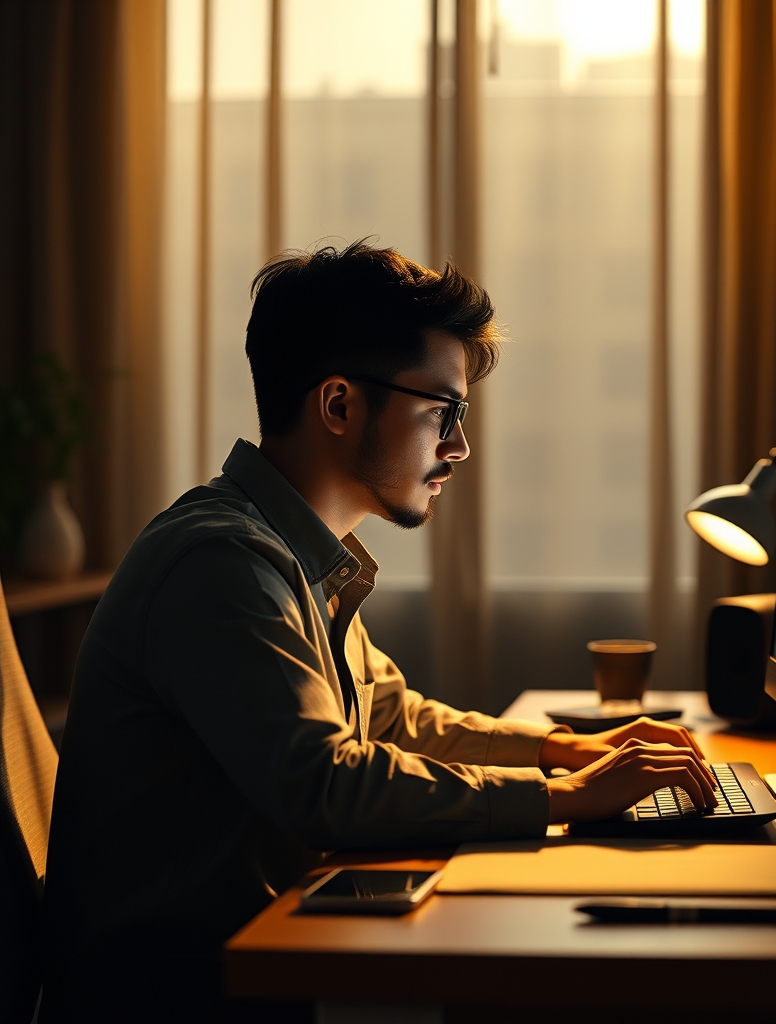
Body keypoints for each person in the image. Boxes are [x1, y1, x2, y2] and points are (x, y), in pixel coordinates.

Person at [41, 242, 714, 1023]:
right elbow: (325, 784)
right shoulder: (221, 562)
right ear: (338, 405)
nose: (458, 446)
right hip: (187, 1000)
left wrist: (565, 750)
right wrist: (564, 797)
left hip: (259, 968)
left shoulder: (290, 553)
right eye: (442, 412)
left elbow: (395, 717)